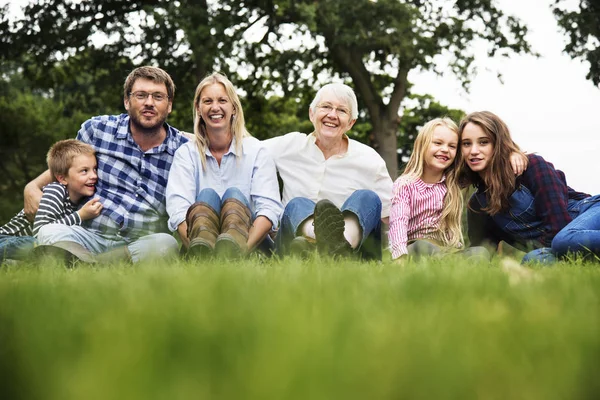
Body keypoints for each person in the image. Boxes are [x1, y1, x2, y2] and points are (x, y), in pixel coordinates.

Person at [23, 66, 189, 263]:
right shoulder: (97, 130)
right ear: (127, 101)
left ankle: (86, 264)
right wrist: (32, 186)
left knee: (166, 244)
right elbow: (66, 170)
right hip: (87, 236)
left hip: (140, 242)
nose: (149, 103)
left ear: (169, 105)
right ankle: (98, 262)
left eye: (158, 97)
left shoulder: (183, 150)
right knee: (49, 230)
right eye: (141, 95)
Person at [262, 83, 393, 259]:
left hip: (355, 254)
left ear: (351, 123)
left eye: (341, 111)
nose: (332, 115)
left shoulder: (370, 160)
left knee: (368, 198)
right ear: (311, 114)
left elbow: (395, 215)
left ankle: (339, 246)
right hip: (292, 243)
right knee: (296, 204)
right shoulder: (288, 145)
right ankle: (333, 247)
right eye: (326, 107)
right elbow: (246, 150)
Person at [458, 111, 600, 263]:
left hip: (590, 214)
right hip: (554, 248)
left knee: (563, 240)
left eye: (483, 142)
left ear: (497, 144)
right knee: (531, 260)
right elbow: (482, 249)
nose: (473, 151)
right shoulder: (478, 204)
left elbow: (558, 224)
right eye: (467, 143)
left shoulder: (531, 166)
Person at [166, 72, 282, 258]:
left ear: (234, 108)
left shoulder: (256, 151)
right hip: (200, 243)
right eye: (207, 101)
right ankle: (205, 252)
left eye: (222, 100)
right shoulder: (186, 154)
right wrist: (198, 249)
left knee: (233, 196)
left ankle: (230, 250)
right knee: (207, 197)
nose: (215, 107)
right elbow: (178, 210)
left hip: (249, 244)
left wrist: (240, 251)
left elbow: (269, 209)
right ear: (198, 108)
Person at [0, 140, 102, 263]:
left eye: (95, 169)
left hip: (35, 245)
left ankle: (13, 263)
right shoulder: (55, 190)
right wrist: (80, 215)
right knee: (37, 245)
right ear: (62, 178)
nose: (94, 176)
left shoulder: (80, 200)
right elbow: (41, 231)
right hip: (8, 239)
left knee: (52, 250)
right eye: (85, 171)